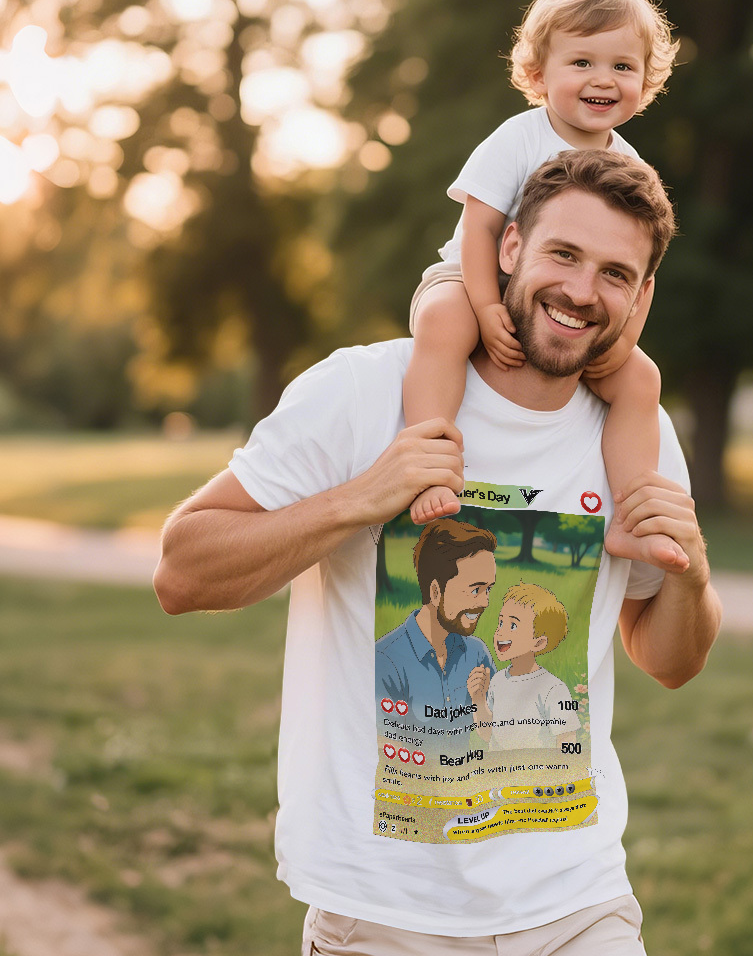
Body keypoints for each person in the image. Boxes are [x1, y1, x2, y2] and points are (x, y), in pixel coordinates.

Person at [153, 149, 722, 955]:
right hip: (384, 911)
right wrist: (363, 498)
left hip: (575, 901)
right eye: (564, 254)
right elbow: (181, 571)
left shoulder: (638, 437)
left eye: (616, 273)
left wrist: (690, 574)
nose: (582, 292)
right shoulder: (363, 391)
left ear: (644, 295)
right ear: (511, 248)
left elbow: (669, 660)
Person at [404, 0, 681, 565]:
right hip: (470, 277)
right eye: (581, 62)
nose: (603, 79)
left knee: (641, 379)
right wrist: (484, 305)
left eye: (622, 66)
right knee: (445, 325)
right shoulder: (518, 138)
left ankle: (634, 512)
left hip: (563, 307)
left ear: (645, 80)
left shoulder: (631, 167)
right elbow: (481, 230)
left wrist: (624, 338)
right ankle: (427, 464)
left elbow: (641, 270)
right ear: (538, 74)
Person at [375, 519, 497, 729]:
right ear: (435, 592)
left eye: (489, 589)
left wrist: (480, 703)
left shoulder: (478, 654)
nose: (485, 602)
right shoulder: (386, 660)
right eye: (475, 590)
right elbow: (383, 748)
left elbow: (499, 734)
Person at [472, 582, 581, 752]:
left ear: (539, 643)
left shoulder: (553, 688)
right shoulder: (498, 680)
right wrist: (478, 699)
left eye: (513, 625)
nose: (500, 632)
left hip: (536, 774)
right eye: (500, 623)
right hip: (499, 774)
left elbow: (567, 740)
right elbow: (487, 734)